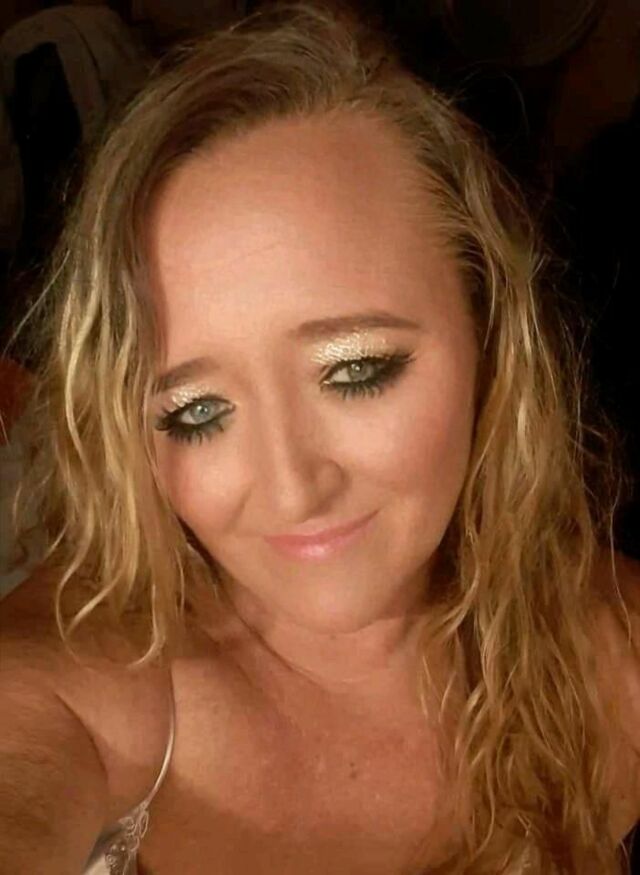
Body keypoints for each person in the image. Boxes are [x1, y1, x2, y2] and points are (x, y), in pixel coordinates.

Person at [1, 2, 640, 873]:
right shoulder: (87, 683)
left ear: (488, 331)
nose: (291, 487)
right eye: (196, 412)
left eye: (355, 370)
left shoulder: (617, 651)